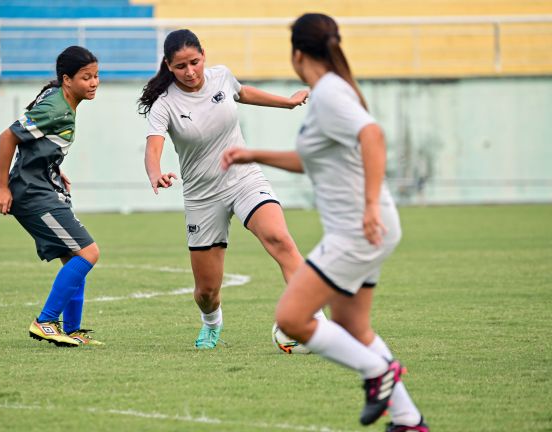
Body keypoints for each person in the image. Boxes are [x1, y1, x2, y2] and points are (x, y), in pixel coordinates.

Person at [222, 14, 429, 431]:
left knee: (293, 318)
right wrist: (254, 154)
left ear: (297, 53)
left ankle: (378, 373)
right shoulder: (331, 91)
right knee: (353, 326)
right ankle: (408, 419)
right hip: (367, 226)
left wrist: (369, 206)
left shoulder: (331, 93)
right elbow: (311, 161)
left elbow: (373, 136)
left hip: (359, 227)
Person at [138, 29, 327, 350]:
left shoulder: (221, 76)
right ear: (169, 66)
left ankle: (315, 323)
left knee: (280, 239)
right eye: (181, 66)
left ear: (204, 56)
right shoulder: (164, 104)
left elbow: (243, 93)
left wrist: (288, 103)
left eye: (195, 62)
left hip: (244, 178)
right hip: (202, 196)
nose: (190, 72)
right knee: (206, 292)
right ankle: (211, 322)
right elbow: (153, 146)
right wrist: (155, 173)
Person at [0, 46, 103, 347]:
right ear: (67, 80)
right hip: (32, 195)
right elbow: (9, 136)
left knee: (73, 257)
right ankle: (45, 321)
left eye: (96, 76)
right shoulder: (56, 108)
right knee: (88, 253)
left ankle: (72, 330)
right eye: (86, 77)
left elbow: (36, 144)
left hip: (42, 186)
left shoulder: (60, 99)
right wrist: (2, 187)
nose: (93, 82)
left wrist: (52, 167)